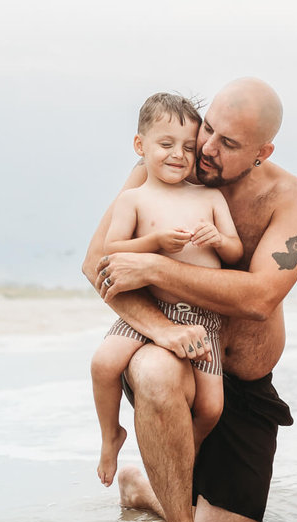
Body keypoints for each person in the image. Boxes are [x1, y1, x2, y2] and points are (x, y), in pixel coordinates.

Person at [83, 78, 297, 522]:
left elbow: (258, 297)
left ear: (262, 151)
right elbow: (98, 264)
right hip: (169, 348)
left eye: (227, 143)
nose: (205, 149)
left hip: (244, 383)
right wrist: (163, 330)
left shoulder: (293, 199)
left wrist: (154, 264)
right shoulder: (161, 168)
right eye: (207, 129)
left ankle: (146, 488)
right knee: (154, 369)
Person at [90, 92, 243, 487]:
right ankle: (111, 436)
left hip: (200, 318)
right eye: (165, 144)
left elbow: (235, 249)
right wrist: (154, 242)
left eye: (188, 148)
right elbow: (112, 249)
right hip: (151, 312)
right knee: (103, 364)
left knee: (211, 406)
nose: (178, 155)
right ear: (140, 146)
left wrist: (217, 239)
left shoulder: (209, 197)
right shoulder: (134, 199)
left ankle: (181, 456)